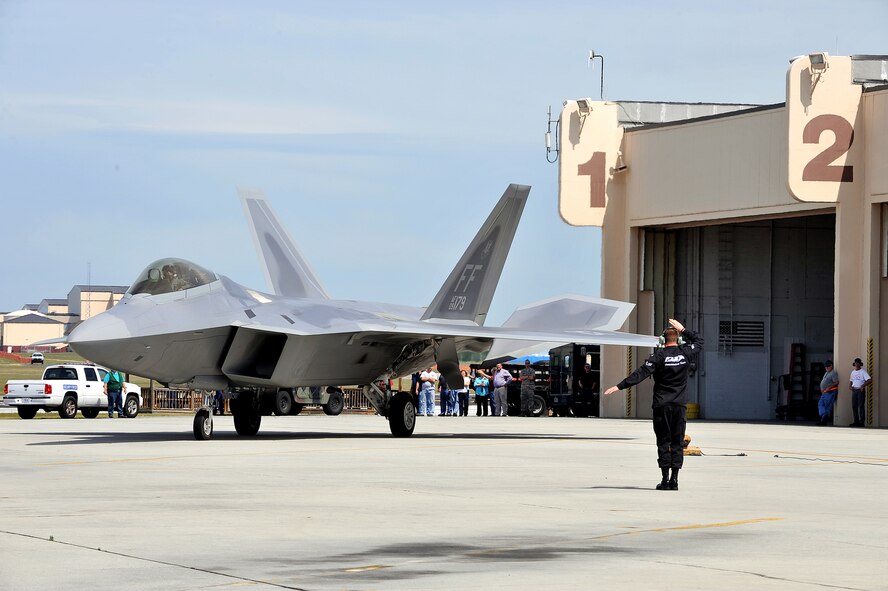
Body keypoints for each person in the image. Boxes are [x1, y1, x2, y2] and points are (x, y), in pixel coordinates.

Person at [604, 319, 703, 491]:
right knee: (677, 442)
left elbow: (640, 374)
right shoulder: (686, 352)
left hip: (662, 406)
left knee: (663, 441)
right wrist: (683, 329)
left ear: (662, 341)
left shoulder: (657, 357)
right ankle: (675, 480)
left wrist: (619, 386)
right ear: (679, 340)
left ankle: (664, 480)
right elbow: (699, 341)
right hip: (679, 406)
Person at [849, 357, 872, 427]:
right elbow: (851, 380)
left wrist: (863, 385)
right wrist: (850, 386)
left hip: (860, 390)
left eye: (858, 363)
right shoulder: (853, 372)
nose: (856, 364)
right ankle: (856, 421)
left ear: (860, 364)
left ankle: (861, 422)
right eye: (856, 363)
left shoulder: (863, 372)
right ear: (854, 364)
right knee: (854, 406)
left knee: (861, 406)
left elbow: (869, 380)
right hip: (854, 390)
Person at [817, 360, 838, 426]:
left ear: (831, 366)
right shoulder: (826, 373)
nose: (826, 368)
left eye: (828, 366)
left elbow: (836, 382)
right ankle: (823, 418)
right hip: (825, 392)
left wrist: (829, 387)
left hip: (830, 392)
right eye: (825, 367)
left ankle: (824, 418)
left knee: (824, 405)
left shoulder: (833, 373)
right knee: (822, 404)